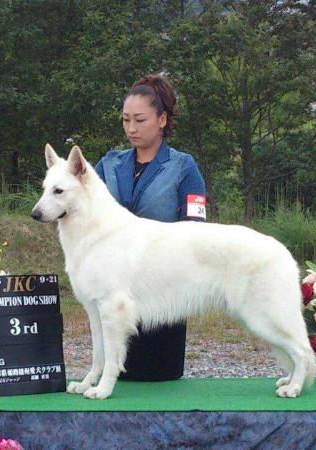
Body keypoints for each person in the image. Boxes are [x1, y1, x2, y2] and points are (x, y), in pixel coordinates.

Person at [94, 74, 206, 381]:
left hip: (164, 291)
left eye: (140, 120)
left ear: (161, 119)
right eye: (126, 120)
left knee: (159, 380)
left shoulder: (184, 166)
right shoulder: (108, 164)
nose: (131, 128)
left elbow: (195, 229)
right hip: (114, 289)